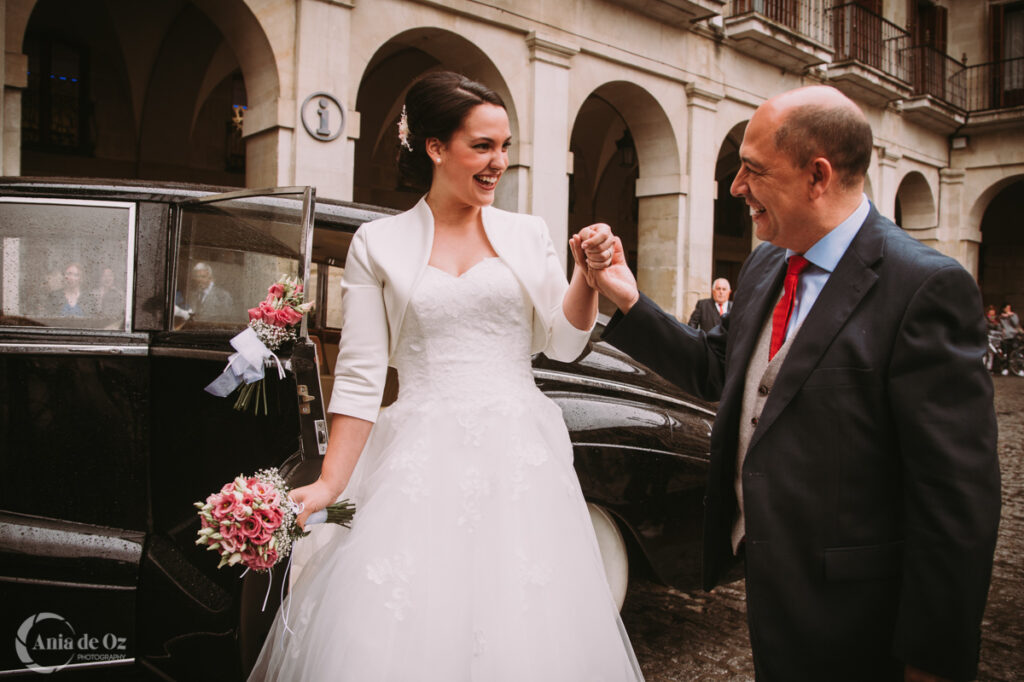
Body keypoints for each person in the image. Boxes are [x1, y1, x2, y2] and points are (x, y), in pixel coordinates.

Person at [580, 85, 1000, 682]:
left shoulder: (924, 288)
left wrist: (931, 659)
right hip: (773, 594)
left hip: (863, 619)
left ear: (817, 175)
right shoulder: (767, 263)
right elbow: (718, 370)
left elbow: (956, 501)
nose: (736, 187)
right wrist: (626, 296)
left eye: (752, 170)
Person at [248, 72, 643, 681]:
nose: (499, 163)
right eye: (482, 146)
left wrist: (586, 278)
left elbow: (563, 346)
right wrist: (330, 483)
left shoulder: (527, 233)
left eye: (505, 146)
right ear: (435, 147)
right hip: (421, 459)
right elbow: (357, 375)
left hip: (520, 460)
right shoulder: (377, 244)